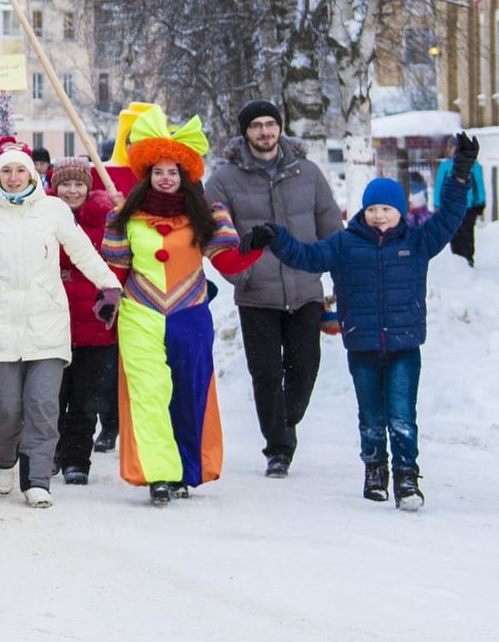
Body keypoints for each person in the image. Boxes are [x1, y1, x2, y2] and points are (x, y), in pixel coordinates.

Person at [247, 132, 479, 511]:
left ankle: (406, 477)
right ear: (363, 211)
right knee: (371, 416)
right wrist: (277, 238)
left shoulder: (418, 242)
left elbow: (451, 217)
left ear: (400, 212)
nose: (379, 215)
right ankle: (375, 470)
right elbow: (307, 257)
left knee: (403, 416)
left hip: (404, 346)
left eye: (386, 209)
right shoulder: (344, 244)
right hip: (363, 345)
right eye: (372, 209)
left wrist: (459, 174)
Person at [0, 139, 120, 508]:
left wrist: (110, 286)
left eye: (20, 170)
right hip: (3, 322)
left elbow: (82, 250)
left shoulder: (53, 210)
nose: (13, 177)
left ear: (32, 174)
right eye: (5, 171)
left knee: (42, 406)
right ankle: (4, 458)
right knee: (7, 408)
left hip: (48, 322)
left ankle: (37, 479)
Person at [101, 110, 258, 505]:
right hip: (140, 311)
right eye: (159, 172)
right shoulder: (125, 217)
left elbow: (228, 263)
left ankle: (188, 469)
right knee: (149, 392)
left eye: (173, 172)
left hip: (190, 313)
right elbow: (114, 271)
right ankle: (160, 474)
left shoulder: (208, 214)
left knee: (189, 392)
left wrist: (256, 245)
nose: (166, 178)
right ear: (148, 174)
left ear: (186, 175)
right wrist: (106, 299)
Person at [204, 98, 342, 478]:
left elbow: (331, 227)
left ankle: (288, 418)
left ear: (279, 128)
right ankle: (278, 448)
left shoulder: (308, 173)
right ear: (245, 132)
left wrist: (339, 275)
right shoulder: (223, 180)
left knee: (305, 366)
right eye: (256, 126)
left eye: (270, 124)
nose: (264, 131)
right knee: (265, 372)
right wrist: (241, 275)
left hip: (305, 288)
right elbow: (214, 237)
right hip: (256, 293)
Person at [50, 158, 118, 485]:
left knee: (84, 398)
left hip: (94, 321)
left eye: (79, 184)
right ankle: (49, 452)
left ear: (89, 188)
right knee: (50, 395)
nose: (72, 190)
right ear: (55, 187)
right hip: (51, 320)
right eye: (65, 184)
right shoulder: (42, 217)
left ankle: (77, 459)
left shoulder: (106, 219)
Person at [432, 140, 486, 268]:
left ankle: (468, 257)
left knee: (467, 232)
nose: (454, 150)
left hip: (468, 206)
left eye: (456, 147)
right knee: (454, 233)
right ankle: (456, 257)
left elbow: (479, 183)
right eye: (452, 147)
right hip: (450, 206)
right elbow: (439, 184)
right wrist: (437, 203)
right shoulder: (446, 166)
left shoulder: (473, 165)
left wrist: (480, 202)